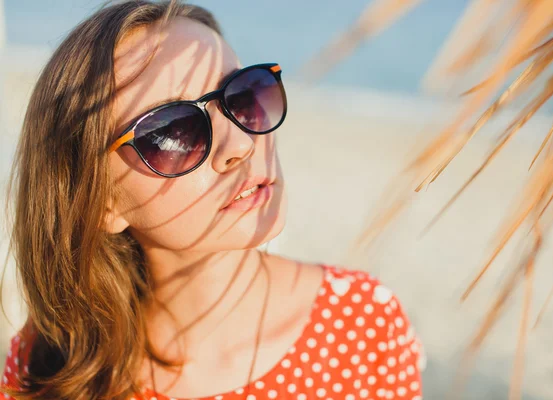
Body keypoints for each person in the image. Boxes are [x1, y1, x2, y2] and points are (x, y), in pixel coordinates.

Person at [0, 1, 424, 399]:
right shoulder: (52, 366)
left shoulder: (363, 328)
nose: (240, 143)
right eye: (173, 131)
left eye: (242, 95)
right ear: (101, 202)